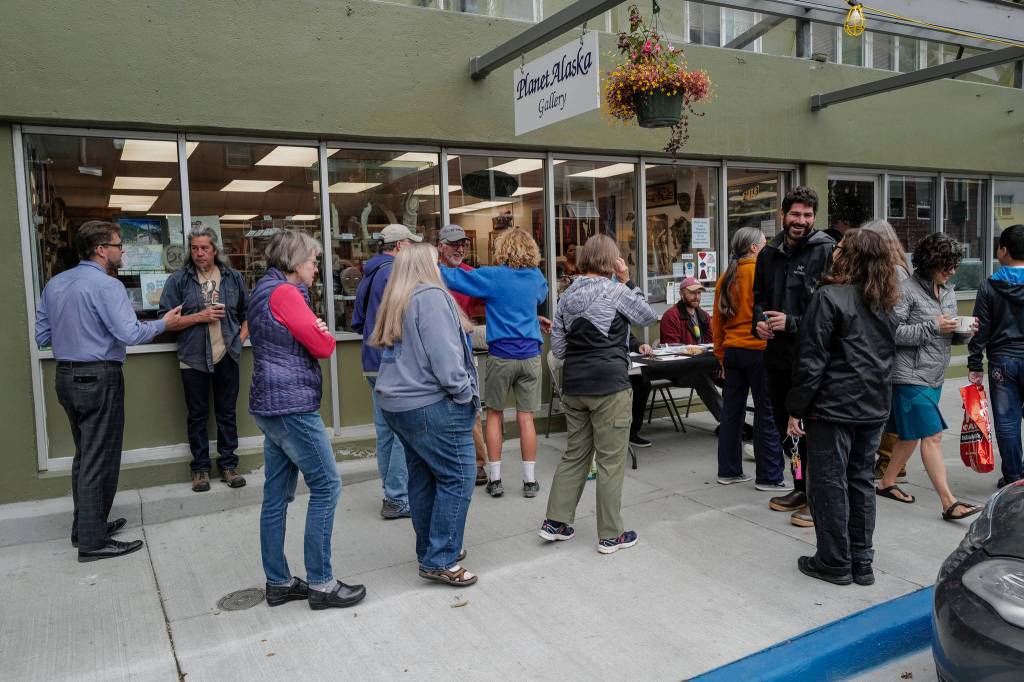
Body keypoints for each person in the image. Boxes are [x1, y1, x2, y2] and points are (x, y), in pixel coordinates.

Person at [35, 220, 185, 561]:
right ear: (101, 249)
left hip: (66, 376)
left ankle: (87, 527)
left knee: (85, 456)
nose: (122, 251)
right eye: (118, 245)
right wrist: (166, 323)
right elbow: (131, 334)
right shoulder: (107, 286)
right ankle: (92, 542)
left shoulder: (55, 284)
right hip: (99, 376)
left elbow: (42, 337)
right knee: (98, 459)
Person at [250, 230, 366, 610]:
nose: (317, 267)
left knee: (276, 495)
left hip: (270, 403)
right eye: (314, 260)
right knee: (327, 486)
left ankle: (279, 582)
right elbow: (323, 345)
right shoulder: (286, 293)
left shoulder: (263, 290)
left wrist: (315, 326)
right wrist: (319, 327)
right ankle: (322, 583)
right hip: (293, 405)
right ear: (295, 261)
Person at [785, 229, 899, 586]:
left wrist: (795, 408)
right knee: (861, 481)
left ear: (847, 256)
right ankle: (861, 561)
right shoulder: (885, 300)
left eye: (839, 248)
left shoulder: (829, 296)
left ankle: (834, 561)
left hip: (834, 407)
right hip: (872, 405)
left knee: (828, 483)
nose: (833, 252)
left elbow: (811, 361)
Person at [371, 243, 480, 586]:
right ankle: (440, 558)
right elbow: (445, 360)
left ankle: (431, 549)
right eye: (436, 261)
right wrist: (466, 394)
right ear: (427, 265)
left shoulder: (398, 298)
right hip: (431, 404)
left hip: (399, 405)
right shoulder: (431, 296)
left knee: (424, 479)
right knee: (459, 476)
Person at [540, 235, 657, 554]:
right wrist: (628, 280)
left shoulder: (565, 297)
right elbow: (647, 315)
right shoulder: (616, 290)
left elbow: (560, 350)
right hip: (610, 385)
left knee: (575, 453)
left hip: (575, 386)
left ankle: (556, 522)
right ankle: (611, 534)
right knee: (610, 460)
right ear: (612, 261)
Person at [876, 233, 981, 522]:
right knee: (932, 436)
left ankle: (885, 482)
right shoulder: (905, 291)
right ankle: (949, 503)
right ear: (929, 262)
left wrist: (965, 330)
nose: (952, 271)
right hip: (908, 375)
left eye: (954, 265)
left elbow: (946, 333)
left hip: (934, 373)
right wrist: (932, 327)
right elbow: (891, 334)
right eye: (946, 265)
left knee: (909, 437)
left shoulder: (946, 290)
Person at [441, 228, 549, 499]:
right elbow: (538, 298)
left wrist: (430, 259)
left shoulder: (493, 275)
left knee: (495, 415)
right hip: (530, 355)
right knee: (526, 418)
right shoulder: (536, 277)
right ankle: (530, 481)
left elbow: (453, 277)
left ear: (503, 249)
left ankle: (496, 479)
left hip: (502, 354)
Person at [752, 186, 835, 528]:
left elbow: (833, 310)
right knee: (787, 430)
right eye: (795, 214)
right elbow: (758, 296)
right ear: (782, 215)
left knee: (812, 432)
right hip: (777, 357)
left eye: (807, 215)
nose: (801, 221)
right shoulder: (768, 254)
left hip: (813, 359)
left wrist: (794, 322)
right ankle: (800, 486)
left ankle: (820, 499)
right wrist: (760, 321)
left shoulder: (826, 251)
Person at [159, 226, 249, 493]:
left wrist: (239, 340)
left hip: (227, 355)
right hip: (193, 356)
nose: (199, 254)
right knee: (197, 415)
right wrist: (199, 316)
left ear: (215, 250)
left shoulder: (233, 277)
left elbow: (249, 313)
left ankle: (229, 465)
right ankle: (200, 469)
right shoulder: (179, 280)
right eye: (195, 248)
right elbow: (166, 320)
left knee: (227, 413)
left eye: (204, 248)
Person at [352, 223, 422, 519]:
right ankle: (396, 497)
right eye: (410, 243)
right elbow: (407, 318)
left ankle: (391, 494)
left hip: (371, 361)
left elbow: (357, 321)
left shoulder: (369, 274)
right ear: (399, 246)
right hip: (391, 361)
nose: (414, 249)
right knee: (399, 434)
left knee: (385, 432)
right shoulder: (394, 273)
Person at [712, 227, 789, 491]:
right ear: (754, 248)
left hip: (733, 351)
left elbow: (717, 321)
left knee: (731, 412)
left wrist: (720, 353)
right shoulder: (762, 271)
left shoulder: (726, 276)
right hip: (759, 349)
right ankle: (769, 476)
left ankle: (729, 470)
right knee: (766, 413)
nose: (766, 247)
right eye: (764, 244)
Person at [627, 277, 722, 447]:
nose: (697, 296)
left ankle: (733, 422)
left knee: (732, 378)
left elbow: (710, 342)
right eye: (692, 292)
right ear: (681, 293)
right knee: (700, 377)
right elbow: (673, 352)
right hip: (678, 371)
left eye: (699, 292)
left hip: (702, 365)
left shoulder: (704, 316)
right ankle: (730, 424)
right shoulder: (672, 316)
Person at [969, 223, 1024, 489]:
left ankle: (1014, 478)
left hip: (1002, 362)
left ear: (1003, 250)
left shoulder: (989, 286)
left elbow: (981, 329)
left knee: (1007, 421)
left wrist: (974, 363)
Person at [859, 220, 912, 485]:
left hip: (890, 351)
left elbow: (896, 316)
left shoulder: (895, 272)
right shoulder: (889, 269)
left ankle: (891, 462)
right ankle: (888, 460)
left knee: (888, 410)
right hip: (882, 349)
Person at [437, 223, 489, 487]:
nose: (460, 248)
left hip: (462, 347)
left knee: (469, 405)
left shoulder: (470, 274)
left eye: (463, 244)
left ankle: (479, 464)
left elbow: (492, 302)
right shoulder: (430, 273)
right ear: (441, 246)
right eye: (454, 243)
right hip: (434, 347)